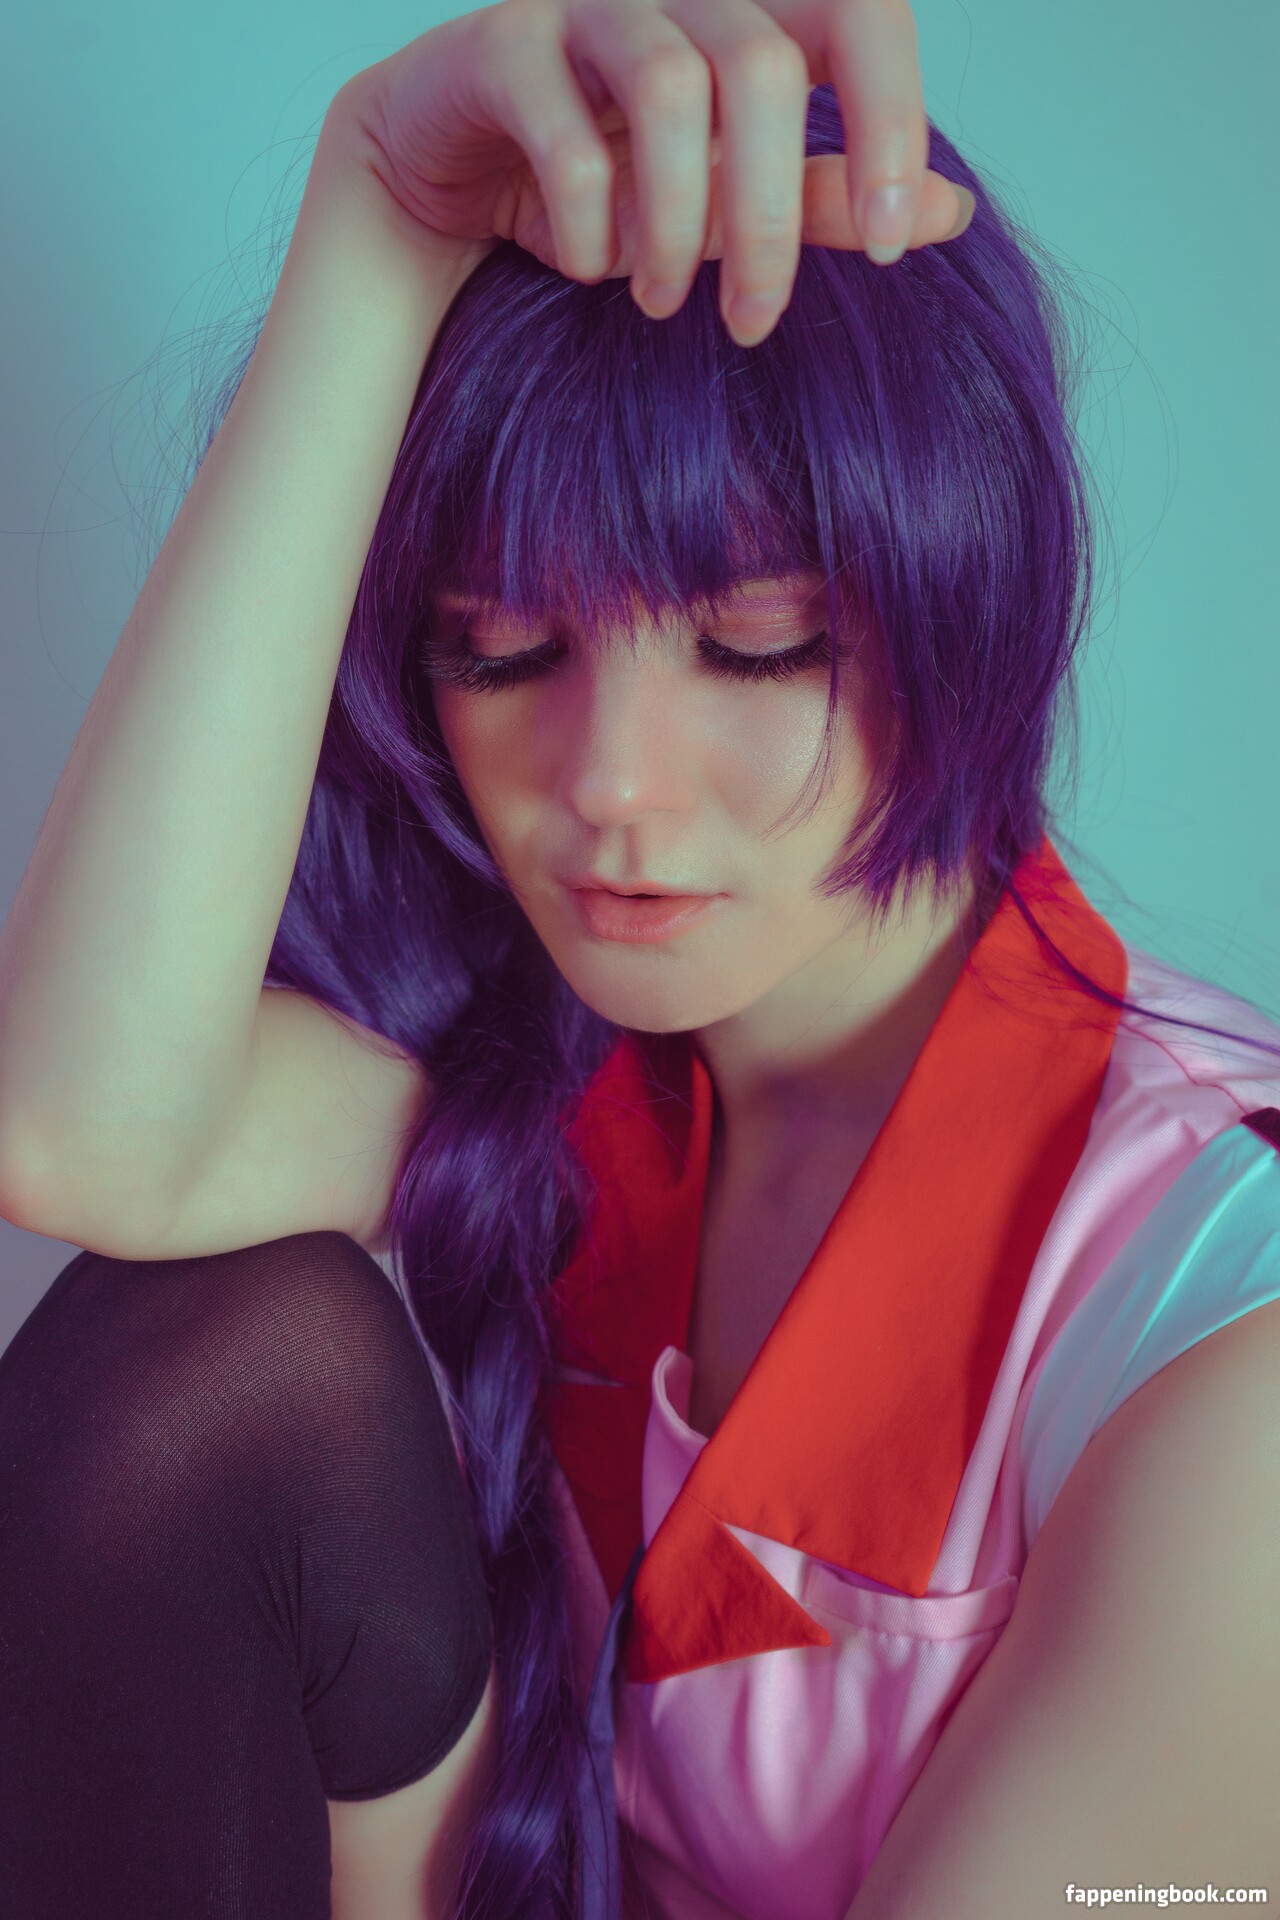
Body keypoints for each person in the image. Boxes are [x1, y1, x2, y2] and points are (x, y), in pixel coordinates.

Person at [0, 2, 1276, 1917]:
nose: (606, 786)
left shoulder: (1218, 1351)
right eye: (500, 647)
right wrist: (374, 227)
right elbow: (86, 1136)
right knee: (213, 1355)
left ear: (969, 596)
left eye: (756, 644)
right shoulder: (588, 1063)